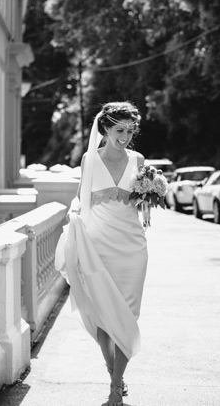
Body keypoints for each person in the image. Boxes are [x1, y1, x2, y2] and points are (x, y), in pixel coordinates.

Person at [55, 101, 147, 406]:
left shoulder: (139, 160)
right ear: (105, 128)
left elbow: (142, 207)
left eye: (130, 130)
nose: (125, 136)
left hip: (132, 247)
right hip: (98, 246)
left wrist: (154, 191)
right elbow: (81, 198)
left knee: (127, 314)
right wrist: (73, 215)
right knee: (103, 317)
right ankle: (114, 374)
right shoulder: (88, 160)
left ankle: (115, 388)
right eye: (119, 129)